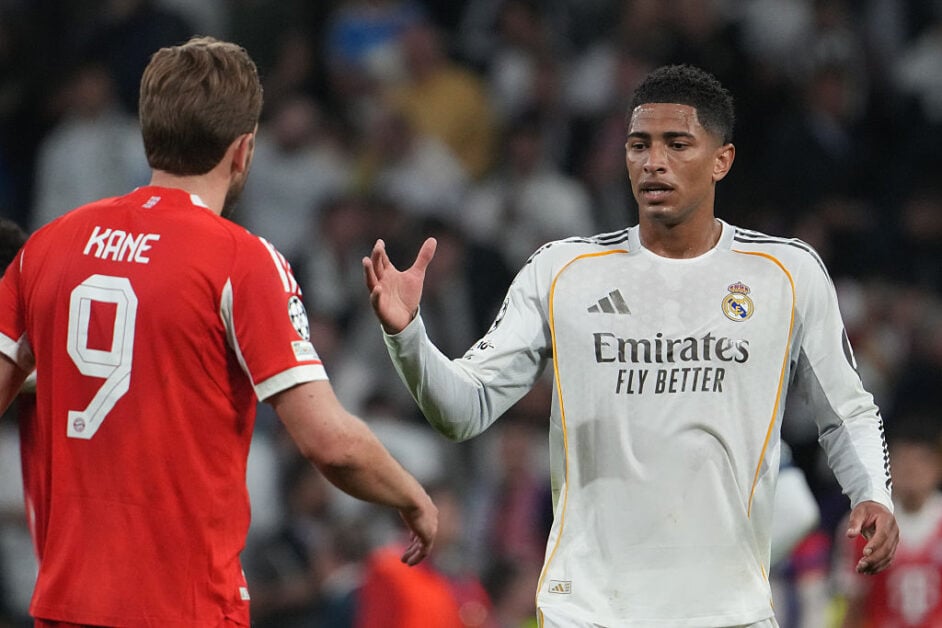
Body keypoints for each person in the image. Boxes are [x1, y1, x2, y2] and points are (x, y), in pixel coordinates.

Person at [363, 64, 897, 626]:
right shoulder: (561, 272)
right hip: (589, 611)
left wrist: (872, 492)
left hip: (728, 612)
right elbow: (463, 410)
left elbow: (847, 410)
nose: (653, 162)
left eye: (677, 144)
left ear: (722, 160)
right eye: (639, 145)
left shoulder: (786, 274)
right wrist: (407, 335)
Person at [0, 36, 437, 628]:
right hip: (183, 607)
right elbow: (329, 443)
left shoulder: (47, 247)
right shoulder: (240, 261)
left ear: (149, 134)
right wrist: (412, 496)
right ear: (244, 150)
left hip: (65, 604)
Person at [835, 415, 942, 627]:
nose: (911, 471)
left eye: (920, 461)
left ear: (937, 467)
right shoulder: (863, 524)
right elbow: (853, 602)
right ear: (888, 466)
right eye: (903, 461)